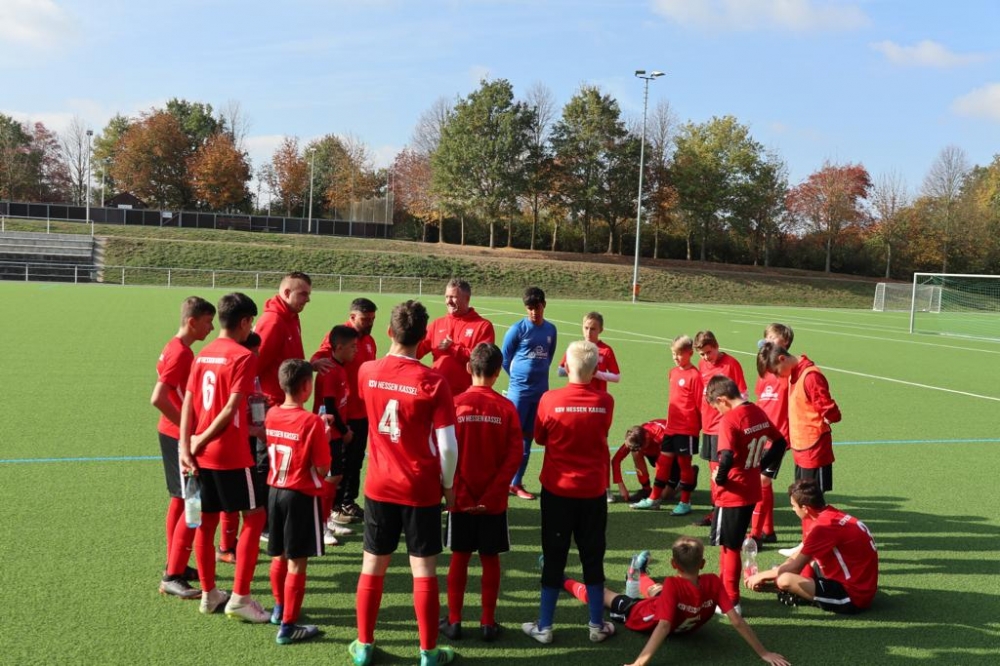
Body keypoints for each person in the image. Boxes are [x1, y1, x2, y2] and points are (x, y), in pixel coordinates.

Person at [348, 300, 458, 666]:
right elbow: (447, 445)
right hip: (419, 487)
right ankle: (428, 652)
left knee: (372, 565)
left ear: (389, 331)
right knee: (423, 570)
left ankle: (364, 645)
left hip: (379, 485)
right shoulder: (434, 381)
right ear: (424, 337)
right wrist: (448, 485)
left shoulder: (366, 371)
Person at [178, 292, 271, 623]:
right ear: (244, 322)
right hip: (230, 453)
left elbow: (188, 402)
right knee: (255, 516)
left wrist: (187, 445)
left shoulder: (203, 353)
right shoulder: (243, 356)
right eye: (251, 323)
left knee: (205, 522)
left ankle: (209, 594)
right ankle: (241, 598)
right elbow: (231, 408)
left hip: (198, 454)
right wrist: (202, 439)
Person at [565, 537, 790, 666]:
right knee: (659, 591)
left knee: (605, 595)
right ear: (703, 563)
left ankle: (563, 581)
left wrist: (639, 663)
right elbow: (737, 621)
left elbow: (663, 626)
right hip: (666, 608)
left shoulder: (674, 585)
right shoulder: (712, 581)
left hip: (641, 615)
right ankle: (638, 573)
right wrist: (763, 653)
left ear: (673, 565)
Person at [523, 340, 616, 645]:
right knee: (593, 556)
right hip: (592, 492)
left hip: (557, 491)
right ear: (595, 369)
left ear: (566, 366)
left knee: (554, 557)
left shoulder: (549, 399)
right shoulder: (605, 402)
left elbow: (540, 437)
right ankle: (596, 625)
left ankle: (545, 626)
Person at [439, 343, 523, 643]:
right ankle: (487, 622)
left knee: (459, 557)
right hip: (493, 502)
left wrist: (459, 491)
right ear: (498, 372)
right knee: (490, 559)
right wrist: (492, 493)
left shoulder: (455, 404)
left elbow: (445, 452)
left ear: (467, 368)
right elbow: (514, 455)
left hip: (461, 499)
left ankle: (454, 621)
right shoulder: (506, 407)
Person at [705, 375, 786, 609]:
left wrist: (720, 479)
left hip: (733, 492)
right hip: (751, 488)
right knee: (730, 543)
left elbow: (726, 457)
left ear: (722, 399)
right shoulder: (758, 411)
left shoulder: (730, 420)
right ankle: (725, 591)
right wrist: (758, 466)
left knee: (730, 547)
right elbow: (780, 442)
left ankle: (731, 601)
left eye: (716, 407)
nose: (718, 411)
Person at [265, 359, 331, 644]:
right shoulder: (311, 421)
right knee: (297, 562)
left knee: (278, 555)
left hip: (274, 491)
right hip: (299, 495)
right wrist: (325, 436)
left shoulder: (272, 414)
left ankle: (279, 608)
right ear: (306, 386)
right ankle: (289, 626)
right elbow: (322, 469)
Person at [154, 296, 215, 599]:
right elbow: (158, 397)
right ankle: (173, 575)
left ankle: (175, 562)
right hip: (178, 436)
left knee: (179, 499)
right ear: (192, 322)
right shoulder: (180, 353)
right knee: (192, 501)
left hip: (170, 433)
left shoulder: (175, 346)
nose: (211, 328)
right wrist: (187, 429)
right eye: (207, 322)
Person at [746, 479, 878, 614]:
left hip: (853, 596)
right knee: (785, 571)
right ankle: (796, 590)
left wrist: (763, 576)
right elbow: (800, 555)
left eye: (793, 506)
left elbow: (795, 567)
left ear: (805, 508)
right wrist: (774, 573)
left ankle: (799, 594)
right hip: (857, 580)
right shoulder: (823, 515)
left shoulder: (823, 527)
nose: (793, 509)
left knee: (784, 579)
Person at [315, 297, 378, 526]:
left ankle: (348, 501)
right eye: (365, 319)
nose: (369, 323)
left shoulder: (369, 341)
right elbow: (321, 356)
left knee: (356, 461)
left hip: (362, 411)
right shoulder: (340, 335)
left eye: (372, 319)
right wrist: (315, 363)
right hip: (343, 413)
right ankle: (333, 507)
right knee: (339, 463)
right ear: (352, 317)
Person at [757, 342, 841, 492]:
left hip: (814, 447)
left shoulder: (810, 377)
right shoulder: (793, 373)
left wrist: (831, 416)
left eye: (776, 371)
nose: (777, 376)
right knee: (801, 495)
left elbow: (827, 406)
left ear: (782, 358)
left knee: (812, 496)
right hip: (801, 446)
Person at [632, 335, 702, 515]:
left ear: (690, 353)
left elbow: (700, 405)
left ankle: (685, 502)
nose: (675, 357)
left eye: (679, 354)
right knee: (663, 463)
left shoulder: (695, 376)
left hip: (687, 429)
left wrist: (696, 428)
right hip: (671, 427)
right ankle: (653, 499)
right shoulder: (673, 372)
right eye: (673, 354)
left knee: (684, 465)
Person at [502, 286, 557, 500]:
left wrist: (536, 376)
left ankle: (516, 483)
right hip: (519, 393)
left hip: (540, 394)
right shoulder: (517, 329)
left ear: (544, 305)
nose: (534, 312)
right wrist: (518, 378)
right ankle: (501, 480)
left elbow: (549, 357)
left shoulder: (551, 330)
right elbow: (505, 358)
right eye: (530, 308)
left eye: (537, 307)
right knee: (511, 438)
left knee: (528, 439)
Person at [693, 330, 748, 529]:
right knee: (712, 471)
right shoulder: (702, 365)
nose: (706, 357)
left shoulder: (731, 364)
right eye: (702, 354)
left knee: (724, 470)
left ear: (716, 346)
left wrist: (738, 421)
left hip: (724, 427)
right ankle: (716, 509)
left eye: (709, 352)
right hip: (708, 426)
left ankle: (727, 509)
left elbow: (743, 394)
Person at [312, 324, 358, 547]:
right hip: (328, 433)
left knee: (335, 477)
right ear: (339, 347)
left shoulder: (339, 368)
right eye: (352, 346)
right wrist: (345, 429)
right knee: (329, 479)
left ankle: (327, 520)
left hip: (336, 432)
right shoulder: (330, 371)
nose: (355, 350)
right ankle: (320, 526)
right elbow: (329, 408)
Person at [255, 272, 331, 408]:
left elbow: (288, 359)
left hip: (289, 400)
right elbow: (255, 365)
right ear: (287, 293)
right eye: (303, 294)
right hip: (274, 403)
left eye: (308, 294)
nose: (308, 299)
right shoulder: (273, 322)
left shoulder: (292, 317)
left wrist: (310, 366)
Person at [751, 323, 794, 546]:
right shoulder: (764, 371)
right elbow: (761, 402)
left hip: (779, 438)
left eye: (773, 339)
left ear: (785, 344)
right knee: (763, 483)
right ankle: (768, 530)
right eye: (766, 338)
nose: (767, 342)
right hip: (760, 435)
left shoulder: (788, 372)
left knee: (762, 481)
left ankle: (755, 535)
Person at [417, 278, 495, 395]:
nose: (449, 301)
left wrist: (453, 348)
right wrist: (407, 336)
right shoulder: (437, 324)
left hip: (466, 396)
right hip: (437, 393)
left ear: (467, 299)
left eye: (453, 297)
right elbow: (416, 352)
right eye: (446, 297)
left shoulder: (483, 326)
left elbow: (483, 361)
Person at [557, 311, 620, 393]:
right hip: (577, 394)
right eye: (586, 328)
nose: (588, 332)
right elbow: (560, 371)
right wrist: (580, 370)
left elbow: (616, 377)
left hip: (597, 395)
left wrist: (594, 373)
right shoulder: (575, 347)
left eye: (593, 329)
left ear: (601, 330)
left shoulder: (606, 350)